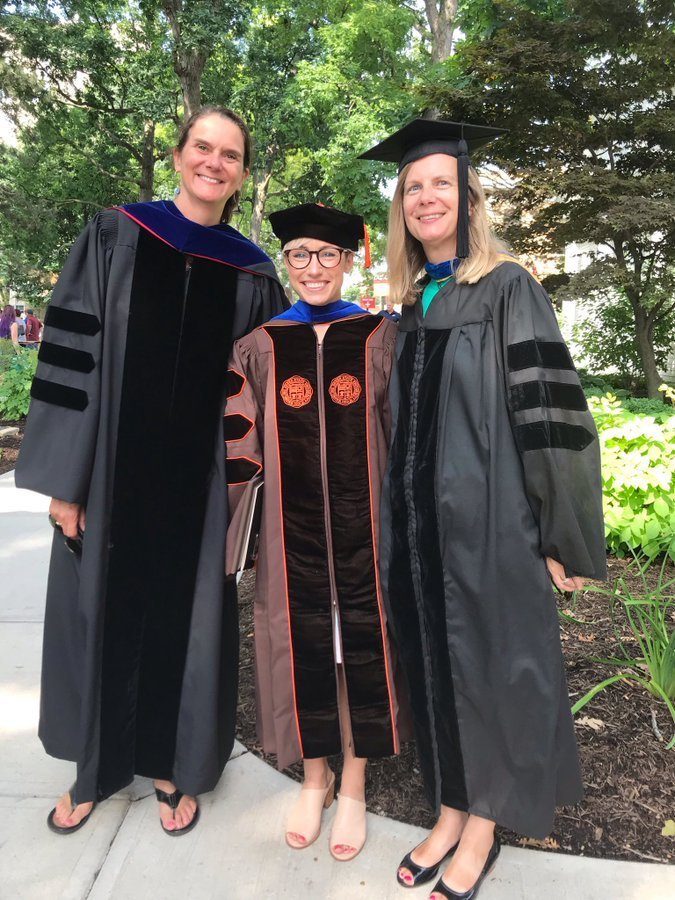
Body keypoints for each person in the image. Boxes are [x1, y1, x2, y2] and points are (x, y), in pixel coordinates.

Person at [16, 106, 287, 837]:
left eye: (230, 154)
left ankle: (170, 762)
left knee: (185, 623)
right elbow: (71, 357)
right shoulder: (115, 236)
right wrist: (65, 484)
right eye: (203, 147)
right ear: (178, 155)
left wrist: (252, 505)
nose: (214, 162)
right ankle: (95, 769)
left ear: (241, 172)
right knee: (100, 612)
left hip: (199, 491)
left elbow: (264, 393)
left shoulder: (251, 270)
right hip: (110, 473)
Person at [360, 119, 606, 899]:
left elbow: (550, 417)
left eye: (440, 183)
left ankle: (483, 826)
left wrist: (559, 534)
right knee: (436, 667)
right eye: (411, 187)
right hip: (420, 532)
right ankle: (451, 805)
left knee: (494, 670)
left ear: (467, 199)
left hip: (493, 526)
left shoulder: (507, 288)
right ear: (401, 208)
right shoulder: (408, 304)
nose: (424, 197)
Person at [224, 203, 405, 861]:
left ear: (348, 259)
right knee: (303, 648)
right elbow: (238, 451)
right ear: (286, 263)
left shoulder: (381, 337)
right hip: (290, 539)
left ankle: (353, 784)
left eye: (326, 254)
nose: (312, 267)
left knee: (357, 643)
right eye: (298, 254)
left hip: (365, 538)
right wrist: (231, 539)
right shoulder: (260, 346)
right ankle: (316, 777)